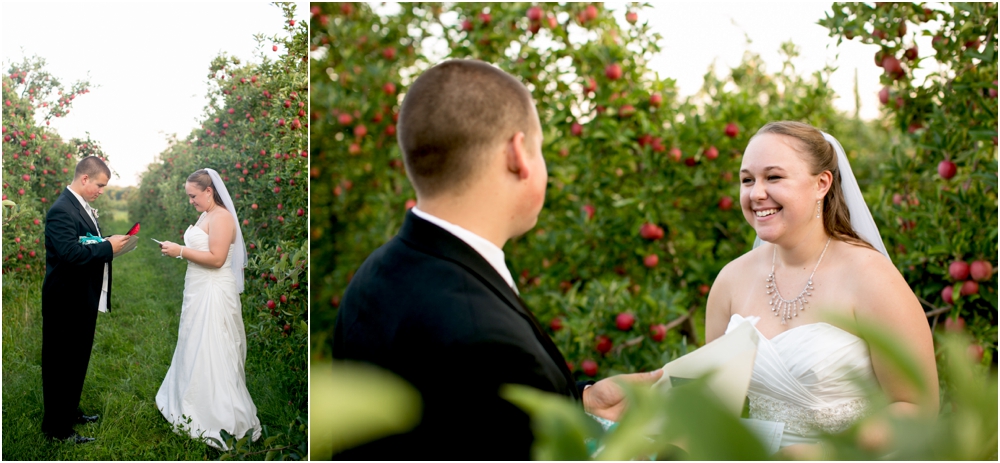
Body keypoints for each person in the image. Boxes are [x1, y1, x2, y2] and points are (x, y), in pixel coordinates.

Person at [332, 59, 662, 459]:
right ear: (518, 153)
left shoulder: (375, 274)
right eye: (540, 150)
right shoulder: (482, 338)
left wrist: (583, 403)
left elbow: (471, 417)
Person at [705, 121, 939, 454]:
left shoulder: (872, 278)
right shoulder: (730, 280)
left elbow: (918, 409)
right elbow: (710, 397)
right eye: (747, 179)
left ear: (822, 184)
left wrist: (827, 452)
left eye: (773, 177)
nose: (756, 193)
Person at [155, 169, 261, 449]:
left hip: (214, 290)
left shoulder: (223, 217)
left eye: (193, 196)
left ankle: (220, 416)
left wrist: (179, 250)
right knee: (194, 343)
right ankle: (190, 399)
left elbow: (215, 259)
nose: (191, 201)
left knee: (214, 346)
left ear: (209, 191)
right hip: (198, 289)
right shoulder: (206, 215)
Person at [41, 156, 130, 443]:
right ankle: (57, 430)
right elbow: (70, 255)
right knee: (60, 364)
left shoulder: (79, 206)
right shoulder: (61, 210)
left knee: (77, 358)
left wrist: (109, 243)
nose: (102, 191)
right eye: (100, 185)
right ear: (84, 179)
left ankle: (70, 411)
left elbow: (86, 242)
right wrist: (107, 246)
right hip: (65, 299)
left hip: (82, 296)